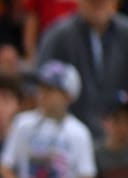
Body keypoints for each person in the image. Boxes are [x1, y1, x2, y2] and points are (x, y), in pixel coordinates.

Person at [36, 0, 128, 141]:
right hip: (68, 136)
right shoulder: (58, 36)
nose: (98, 4)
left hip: (121, 139)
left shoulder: (125, 34)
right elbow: (39, 85)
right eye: (92, 1)